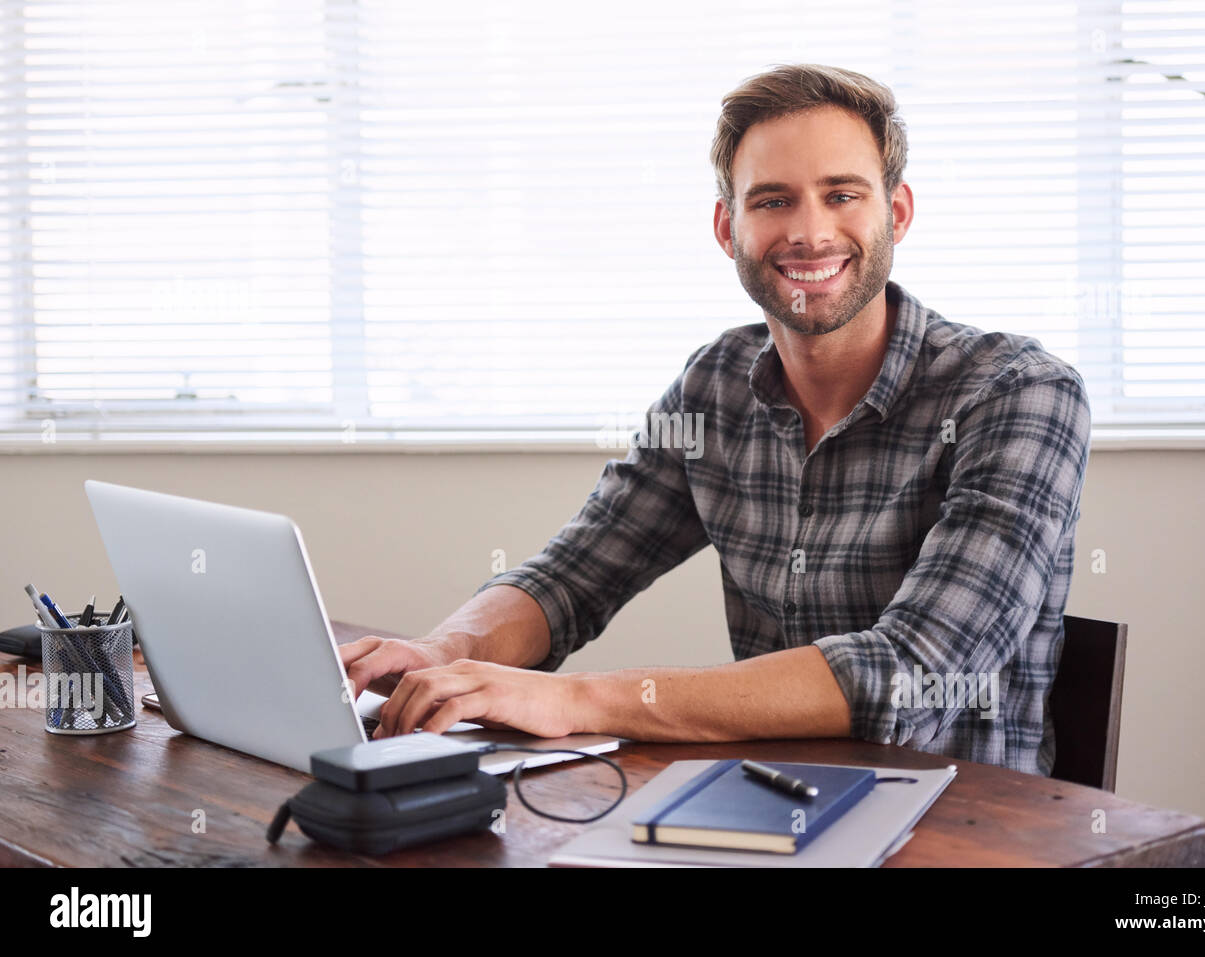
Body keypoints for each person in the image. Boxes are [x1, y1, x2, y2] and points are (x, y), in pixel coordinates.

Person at [340, 63, 1091, 776]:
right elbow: (572, 577)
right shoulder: (714, 387)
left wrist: (576, 700)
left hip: (974, 825)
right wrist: (443, 648)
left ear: (895, 212)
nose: (809, 232)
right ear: (728, 230)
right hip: (765, 805)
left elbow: (910, 674)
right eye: (772, 200)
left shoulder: (1020, 394)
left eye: (841, 195)